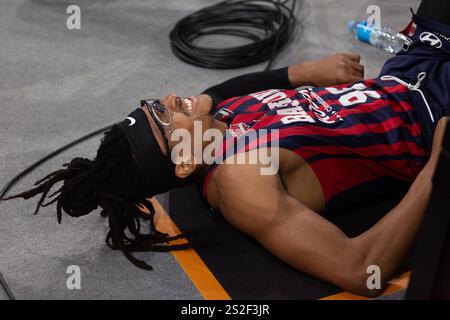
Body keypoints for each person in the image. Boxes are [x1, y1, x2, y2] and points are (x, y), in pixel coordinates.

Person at [2, 0, 449, 297]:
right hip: (431, 121)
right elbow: (360, 270)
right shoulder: (241, 183)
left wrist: (306, 70)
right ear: (185, 164)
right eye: (165, 118)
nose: (172, 100)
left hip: (408, 71)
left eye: (155, 104)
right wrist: (436, 171)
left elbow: (234, 85)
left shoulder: (217, 118)